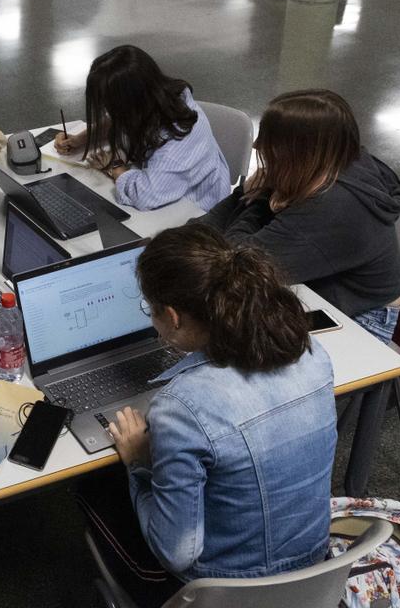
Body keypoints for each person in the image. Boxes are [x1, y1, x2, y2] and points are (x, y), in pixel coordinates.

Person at [77, 224, 337, 607]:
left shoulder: (183, 407)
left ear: (173, 316)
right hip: (314, 573)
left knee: (92, 485)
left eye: (150, 310)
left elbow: (176, 552)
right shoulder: (313, 356)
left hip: (222, 592)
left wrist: (136, 462)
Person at [198, 89, 400, 343]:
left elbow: (238, 262)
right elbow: (229, 218)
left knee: (226, 338)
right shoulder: (328, 161)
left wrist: (259, 199)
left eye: (270, 139)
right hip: (320, 286)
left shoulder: (333, 206)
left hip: (359, 319)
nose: (256, 145)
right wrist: (194, 233)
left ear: (299, 151)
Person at [54, 45, 230, 211]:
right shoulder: (155, 100)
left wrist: (115, 166)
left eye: (110, 103)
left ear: (131, 100)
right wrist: (80, 139)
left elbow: (144, 196)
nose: (107, 110)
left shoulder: (180, 138)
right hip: (163, 194)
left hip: (194, 210)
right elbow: (115, 120)